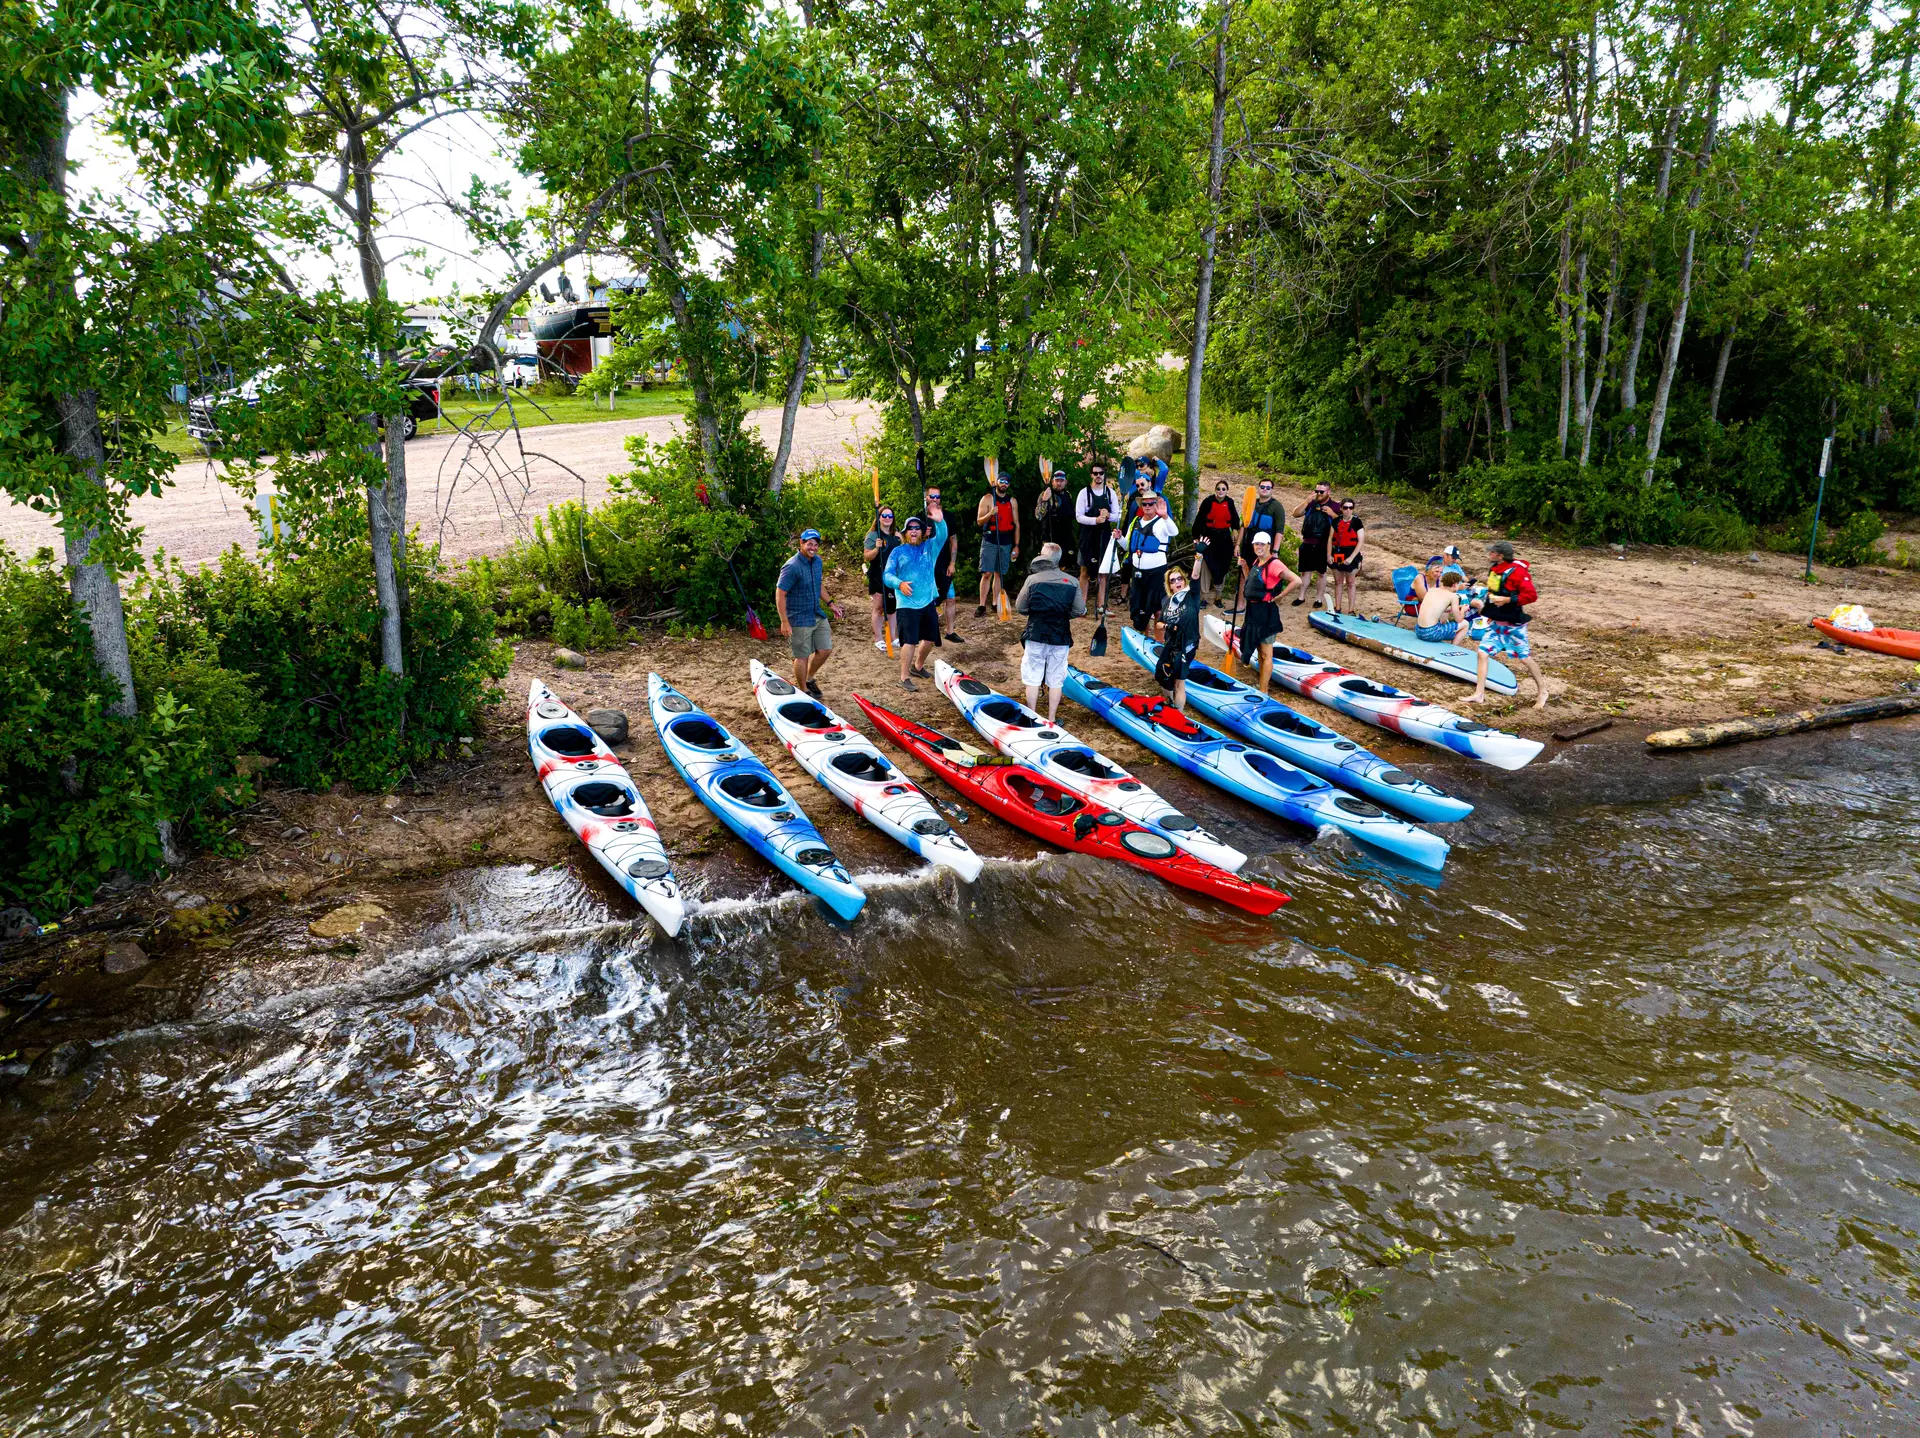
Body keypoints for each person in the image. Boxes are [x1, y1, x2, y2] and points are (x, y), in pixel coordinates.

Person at [1470, 538, 1547, 709]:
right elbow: (1492, 591)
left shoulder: (1519, 572)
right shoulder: (1495, 569)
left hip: (1513, 626)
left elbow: (1531, 596)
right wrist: (1488, 608)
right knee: (1482, 653)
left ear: (1500, 555)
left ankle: (1542, 691)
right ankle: (1479, 694)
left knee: (1524, 658)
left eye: (1492, 552)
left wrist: (1507, 599)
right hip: (1496, 623)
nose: (1489, 554)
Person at [1013, 541, 1086, 722]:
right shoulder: (1072, 581)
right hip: (1060, 634)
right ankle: (1051, 719)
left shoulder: (1032, 580)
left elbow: (1020, 607)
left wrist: (1038, 612)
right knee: (1056, 676)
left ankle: (1032, 716)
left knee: (1032, 674)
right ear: (1058, 559)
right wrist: (1060, 615)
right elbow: (1080, 610)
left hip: (1036, 632)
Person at [883, 510, 949, 691]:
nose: (913, 531)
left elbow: (943, 535)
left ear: (922, 531)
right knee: (910, 641)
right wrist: (899, 583)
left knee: (929, 639)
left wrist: (939, 521)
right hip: (906, 604)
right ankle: (904, 677)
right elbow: (887, 575)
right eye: (910, 529)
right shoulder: (898, 551)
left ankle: (917, 667)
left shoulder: (929, 548)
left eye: (917, 528)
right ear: (905, 533)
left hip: (927, 601)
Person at [775, 528, 842, 698]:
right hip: (798, 617)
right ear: (801, 543)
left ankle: (810, 678)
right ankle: (804, 689)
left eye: (816, 544)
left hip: (816, 614)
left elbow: (818, 585)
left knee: (825, 649)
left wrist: (831, 604)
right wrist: (784, 621)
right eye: (809, 544)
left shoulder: (817, 562)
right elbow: (780, 593)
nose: (813, 547)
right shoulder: (791, 566)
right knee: (802, 655)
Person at [1237, 531, 1302, 693]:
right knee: (1259, 650)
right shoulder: (1256, 562)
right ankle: (1262, 685)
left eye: (1262, 544)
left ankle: (1264, 691)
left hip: (1266, 612)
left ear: (1269, 546)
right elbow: (1252, 584)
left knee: (1266, 653)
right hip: (1252, 611)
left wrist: (1280, 596)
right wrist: (1245, 567)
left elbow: (1297, 580)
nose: (1258, 547)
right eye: (1256, 544)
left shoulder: (1274, 564)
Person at [1123, 488, 1178, 636]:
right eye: (1144, 504)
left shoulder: (1162, 522)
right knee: (1139, 607)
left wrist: (1165, 516)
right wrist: (1118, 538)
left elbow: (1174, 532)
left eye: (1151, 504)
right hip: (1138, 571)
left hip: (1157, 571)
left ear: (1156, 505)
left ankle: (1159, 640)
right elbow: (1127, 545)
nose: (1147, 507)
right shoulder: (1135, 522)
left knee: (1157, 607)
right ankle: (1143, 638)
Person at [1155, 566, 1202, 712]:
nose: (1177, 582)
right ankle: (1169, 703)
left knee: (1178, 682)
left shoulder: (1191, 595)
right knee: (1163, 674)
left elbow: (1195, 575)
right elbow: (1158, 622)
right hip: (1171, 644)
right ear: (1169, 585)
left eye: (1179, 578)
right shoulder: (1167, 601)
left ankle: (1179, 714)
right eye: (1172, 580)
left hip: (1187, 644)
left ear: (1184, 580)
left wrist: (1198, 557)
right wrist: (1166, 627)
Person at [975, 470, 1020, 616]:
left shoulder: (1012, 501)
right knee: (987, 573)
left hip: (1006, 541)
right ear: (996, 482)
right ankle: (982, 605)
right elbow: (979, 522)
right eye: (1002, 481)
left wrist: (1017, 545)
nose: (1004, 484)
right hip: (990, 539)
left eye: (1007, 482)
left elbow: (1017, 524)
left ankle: (995, 602)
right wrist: (990, 513)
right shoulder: (987, 499)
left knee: (999, 573)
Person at [1190, 478, 1240, 605]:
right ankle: (1204, 597)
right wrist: (1196, 536)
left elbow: (1235, 520)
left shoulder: (1230, 502)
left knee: (1222, 567)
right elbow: (1199, 519)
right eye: (1218, 489)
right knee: (1206, 566)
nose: (1220, 491)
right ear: (1215, 490)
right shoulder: (1208, 501)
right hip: (1209, 537)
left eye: (1223, 489)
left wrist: (1235, 530)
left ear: (1227, 491)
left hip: (1224, 539)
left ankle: (1218, 597)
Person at [1075, 461, 1116, 608]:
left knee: (1103, 572)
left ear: (1104, 475)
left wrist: (1108, 515)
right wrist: (1095, 520)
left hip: (1104, 536)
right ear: (1091, 475)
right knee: (1084, 571)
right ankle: (1081, 606)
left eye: (1101, 473)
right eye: (1095, 473)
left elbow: (1117, 516)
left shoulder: (1110, 493)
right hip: (1087, 536)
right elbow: (1079, 516)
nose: (1098, 476)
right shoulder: (1083, 493)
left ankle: (1101, 605)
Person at [863, 506, 901, 652]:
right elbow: (867, 556)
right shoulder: (873, 535)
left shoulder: (897, 535)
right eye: (884, 515)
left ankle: (893, 637)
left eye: (890, 516)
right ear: (879, 518)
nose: (887, 518)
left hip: (893, 576)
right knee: (879, 607)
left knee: (892, 608)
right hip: (877, 575)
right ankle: (878, 639)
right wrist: (876, 549)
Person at [1240, 476, 1287, 576]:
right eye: (1262, 487)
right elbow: (1243, 526)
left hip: (1265, 546)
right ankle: (1243, 591)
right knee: (1245, 571)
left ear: (1271, 490)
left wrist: (1275, 551)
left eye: (1268, 488)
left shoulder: (1276, 506)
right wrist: (1237, 545)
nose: (1265, 489)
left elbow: (1279, 530)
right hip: (1249, 544)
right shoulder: (1253, 503)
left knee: (1262, 573)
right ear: (1259, 488)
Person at [1328, 498, 1365, 613]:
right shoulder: (1336, 521)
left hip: (1351, 554)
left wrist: (1351, 558)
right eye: (1345, 508)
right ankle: (1337, 607)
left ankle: (1351, 610)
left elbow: (1361, 541)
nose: (1348, 510)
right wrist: (1329, 555)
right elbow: (1330, 539)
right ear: (1341, 508)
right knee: (1338, 582)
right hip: (1337, 553)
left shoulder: (1357, 522)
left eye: (1350, 508)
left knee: (1350, 582)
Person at [1414, 569, 1471, 644]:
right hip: (1430, 634)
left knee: (1443, 615)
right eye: (1458, 584)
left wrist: (1458, 607)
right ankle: (1453, 648)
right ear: (1454, 584)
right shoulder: (1453, 596)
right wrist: (1463, 609)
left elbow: (1436, 608)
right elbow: (1459, 620)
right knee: (1465, 624)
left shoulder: (1432, 590)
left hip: (1418, 631)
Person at [1033, 466, 1076, 557]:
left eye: (1061, 481)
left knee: (1066, 563)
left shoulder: (1068, 495)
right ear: (1052, 482)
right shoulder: (1045, 494)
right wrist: (1044, 500)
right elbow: (1038, 516)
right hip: (1050, 537)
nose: (1059, 483)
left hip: (1066, 537)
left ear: (1065, 482)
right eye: (1056, 481)